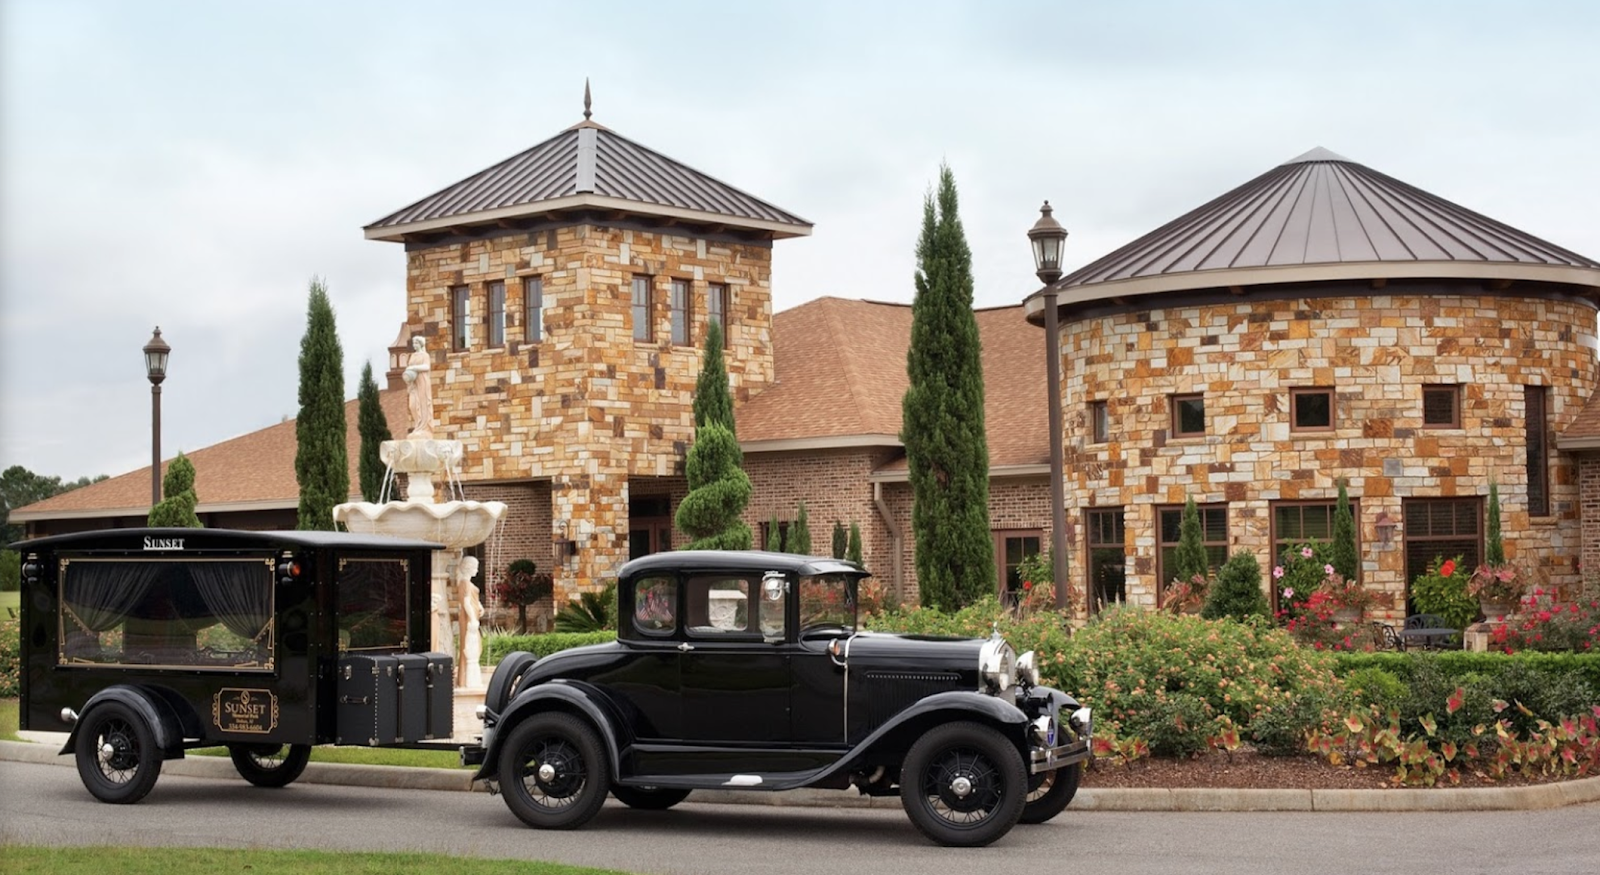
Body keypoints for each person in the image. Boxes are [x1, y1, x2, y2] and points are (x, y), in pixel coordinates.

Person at [455, 556, 483, 688]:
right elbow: (466, 603)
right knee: (469, 646)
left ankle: (467, 679)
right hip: (468, 619)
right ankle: (466, 679)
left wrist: (480, 607)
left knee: (474, 646)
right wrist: (472, 618)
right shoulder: (464, 583)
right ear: (468, 567)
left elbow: (473, 600)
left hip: (472, 617)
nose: (477, 570)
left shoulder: (466, 583)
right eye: (475, 567)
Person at [403, 335, 434, 438]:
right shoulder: (413, 356)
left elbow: (426, 366)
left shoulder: (425, 355)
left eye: (416, 343)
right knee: (412, 405)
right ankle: (417, 425)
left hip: (422, 381)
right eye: (413, 343)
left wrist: (413, 368)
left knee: (423, 403)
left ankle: (424, 428)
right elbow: (409, 367)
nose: (414, 345)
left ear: (420, 344)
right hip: (414, 382)